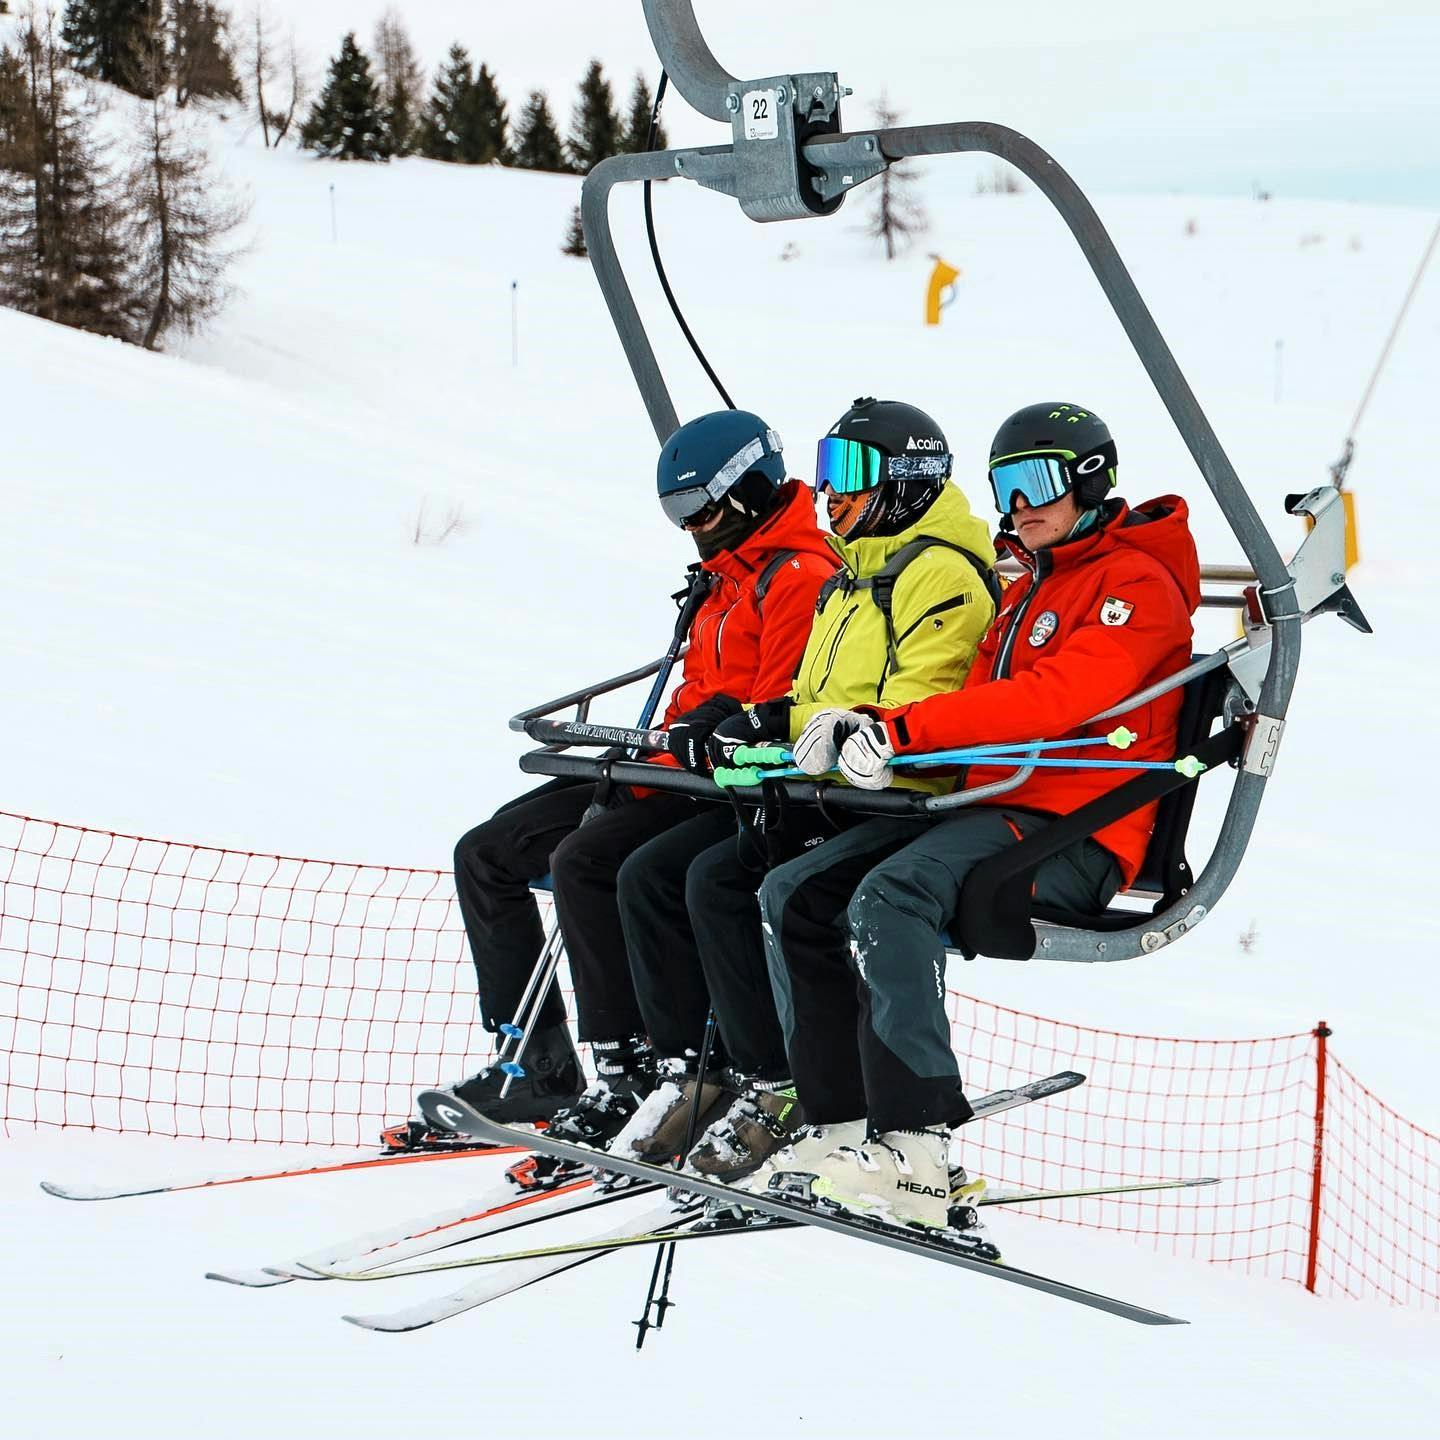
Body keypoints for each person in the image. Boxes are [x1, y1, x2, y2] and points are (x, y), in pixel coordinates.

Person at [756, 402, 1200, 1235]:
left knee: (890, 896)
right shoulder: (1033, 584)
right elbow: (969, 701)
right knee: (794, 890)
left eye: (1036, 481)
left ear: (1090, 482)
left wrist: (903, 731)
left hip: (1073, 828)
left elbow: (1054, 698)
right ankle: (839, 1123)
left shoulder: (1133, 588)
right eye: (1004, 486)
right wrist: (856, 723)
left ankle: (917, 1146)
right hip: (992, 808)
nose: (1018, 505)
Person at [392, 411, 837, 1153]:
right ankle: (537, 1059)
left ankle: (631, 1066)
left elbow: (778, 703)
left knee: (589, 861)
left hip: (715, 784)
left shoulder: (798, 577)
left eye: (698, 508)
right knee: (487, 853)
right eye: (675, 512)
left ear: (748, 490)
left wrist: (709, 729)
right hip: (662, 767)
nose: (689, 527)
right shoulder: (725, 577)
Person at [606, 397, 998, 1177]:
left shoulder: (940, 576)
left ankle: (807, 1094)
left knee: (760, 888)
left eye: (848, 472)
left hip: (897, 796)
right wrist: (760, 721)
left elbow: (917, 704)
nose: (828, 491)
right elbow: (817, 695)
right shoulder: (852, 576)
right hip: (835, 790)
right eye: (825, 470)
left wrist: (823, 734)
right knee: (680, 874)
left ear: (907, 478)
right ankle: (737, 1072)